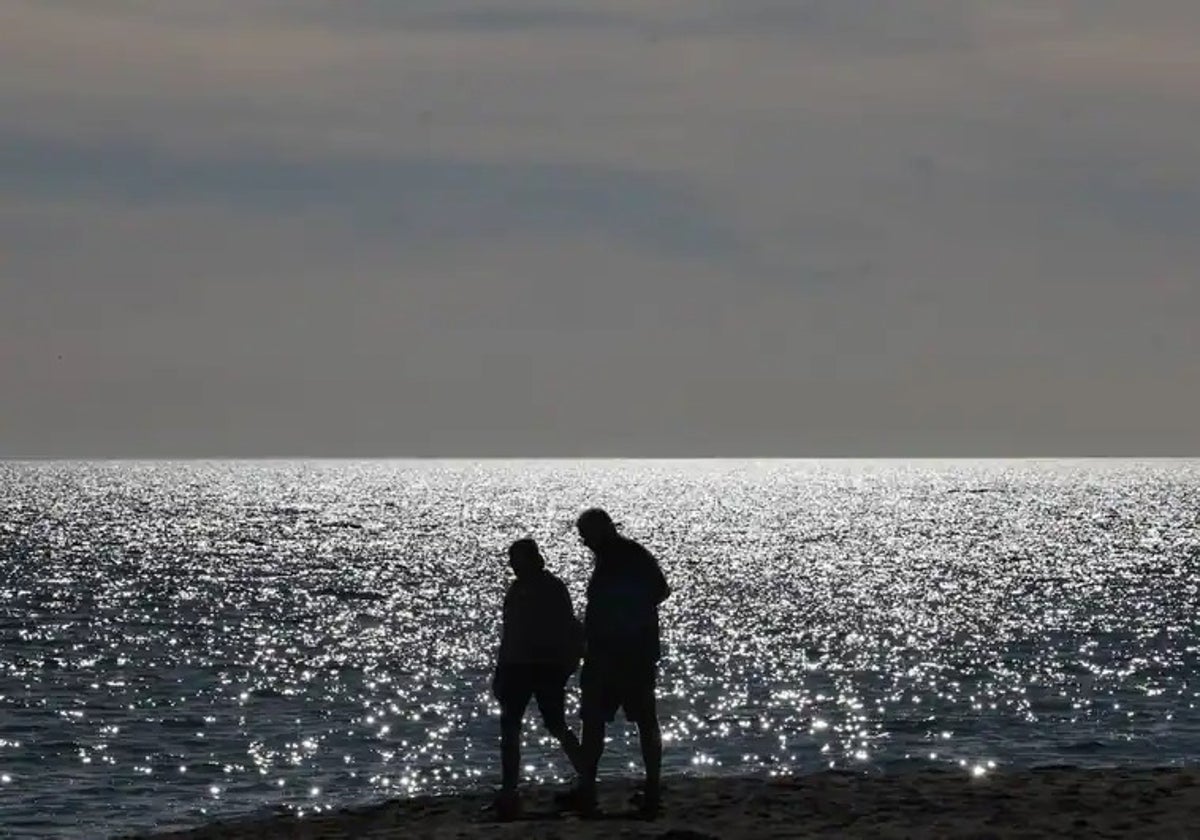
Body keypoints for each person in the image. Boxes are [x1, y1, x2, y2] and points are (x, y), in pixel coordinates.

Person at [569, 508, 670, 817]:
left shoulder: (626, 557)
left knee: (604, 722)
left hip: (619, 654)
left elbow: (659, 591)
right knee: (626, 721)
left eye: (586, 536)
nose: (584, 543)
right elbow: (659, 591)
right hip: (626, 652)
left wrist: (622, 619)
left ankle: (595, 789)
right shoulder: (630, 555)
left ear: (601, 531)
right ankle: (637, 788)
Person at [491, 538, 585, 819]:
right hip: (517, 666)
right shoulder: (517, 588)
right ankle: (509, 791)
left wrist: (566, 664)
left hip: (544, 667)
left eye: (517, 559)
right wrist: (500, 670)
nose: (513, 565)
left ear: (532, 559)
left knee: (555, 725)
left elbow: (569, 628)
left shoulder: (552, 588)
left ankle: (586, 778)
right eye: (511, 560)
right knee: (510, 730)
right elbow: (510, 632)